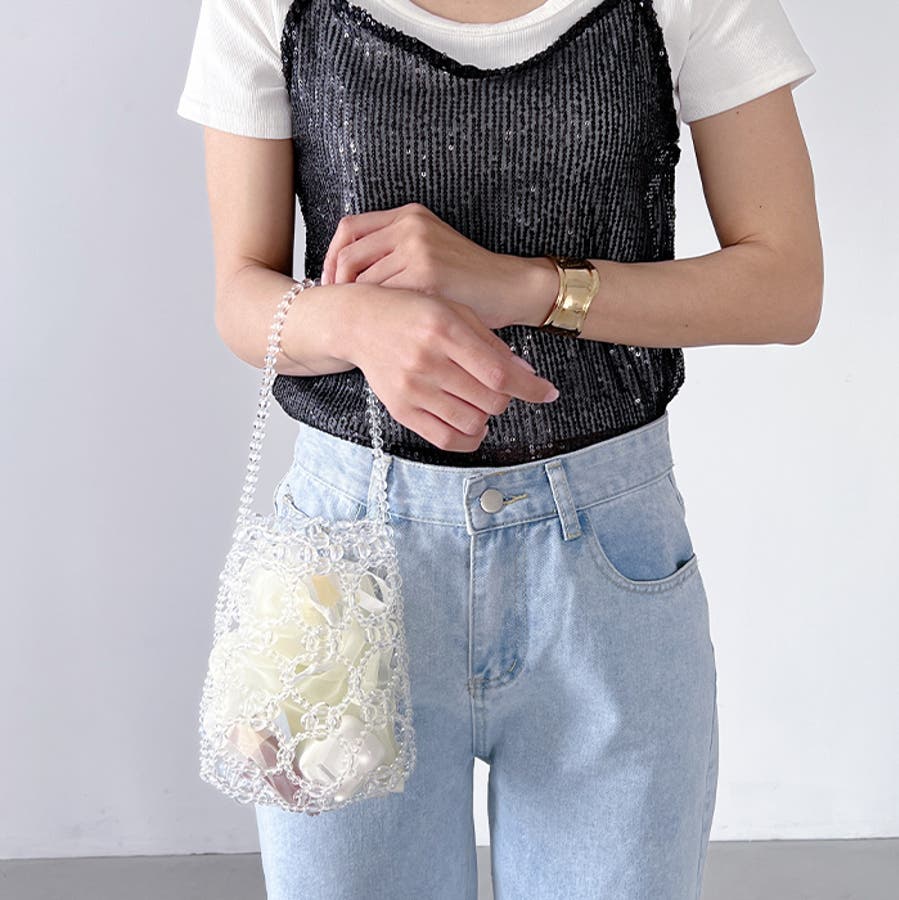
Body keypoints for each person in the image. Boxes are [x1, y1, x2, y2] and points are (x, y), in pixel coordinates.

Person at [176, 0, 822, 897]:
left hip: (609, 563)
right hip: (346, 566)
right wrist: (359, 324)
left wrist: (524, 287)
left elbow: (787, 286)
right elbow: (241, 298)